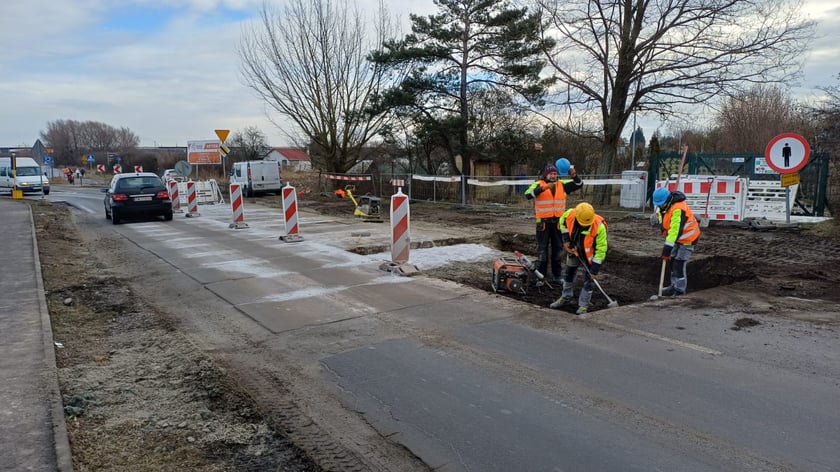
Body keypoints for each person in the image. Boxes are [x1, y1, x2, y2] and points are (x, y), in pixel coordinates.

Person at [524, 161, 584, 283]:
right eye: (550, 174)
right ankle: (540, 276)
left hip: (558, 223)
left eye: (554, 173)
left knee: (558, 249)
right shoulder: (537, 184)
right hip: (543, 224)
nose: (553, 176)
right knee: (542, 250)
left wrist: (574, 175)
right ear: (545, 175)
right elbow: (527, 194)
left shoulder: (562, 185)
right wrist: (543, 188)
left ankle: (557, 276)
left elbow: (579, 184)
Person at [550, 202, 608, 315]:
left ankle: (583, 305)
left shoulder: (599, 227)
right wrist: (566, 240)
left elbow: (601, 250)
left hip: (591, 255)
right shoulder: (570, 215)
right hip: (574, 248)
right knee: (569, 272)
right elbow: (562, 222)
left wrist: (594, 269)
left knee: (589, 280)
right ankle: (566, 297)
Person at [652, 187, 701, 296]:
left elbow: (675, 230)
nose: (660, 206)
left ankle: (679, 290)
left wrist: (667, 248)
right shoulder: (665, 207)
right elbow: (665, 220)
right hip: (678, 238)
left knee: (679, 263)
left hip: (688, 238)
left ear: (668, 199)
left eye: (662, 204)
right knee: (673, 260)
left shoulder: (678, 209)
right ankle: (673, 286)